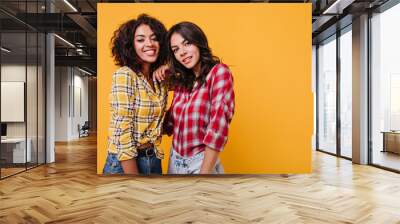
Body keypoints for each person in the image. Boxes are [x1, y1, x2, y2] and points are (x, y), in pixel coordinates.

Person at [155, 22, 235, 174]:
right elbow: (169, 124)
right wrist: (165, 68)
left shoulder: (218, 73)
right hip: (174, 161)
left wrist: (203, 176)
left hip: (200, 163)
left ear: (199, 42)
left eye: (187, 43)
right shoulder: (182, 81)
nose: (182, 52)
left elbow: (218, 129)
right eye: (176, 50)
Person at [103, 14, 168, 175]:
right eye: (140, 40)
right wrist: (133, 179)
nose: (149, 44)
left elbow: (194, 76)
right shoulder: (125, 75)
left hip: (152, 158)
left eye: (154, 38)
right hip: (125, 162)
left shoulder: (159, 79)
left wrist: (169, 67)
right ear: (130, 45)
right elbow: (122, 133)